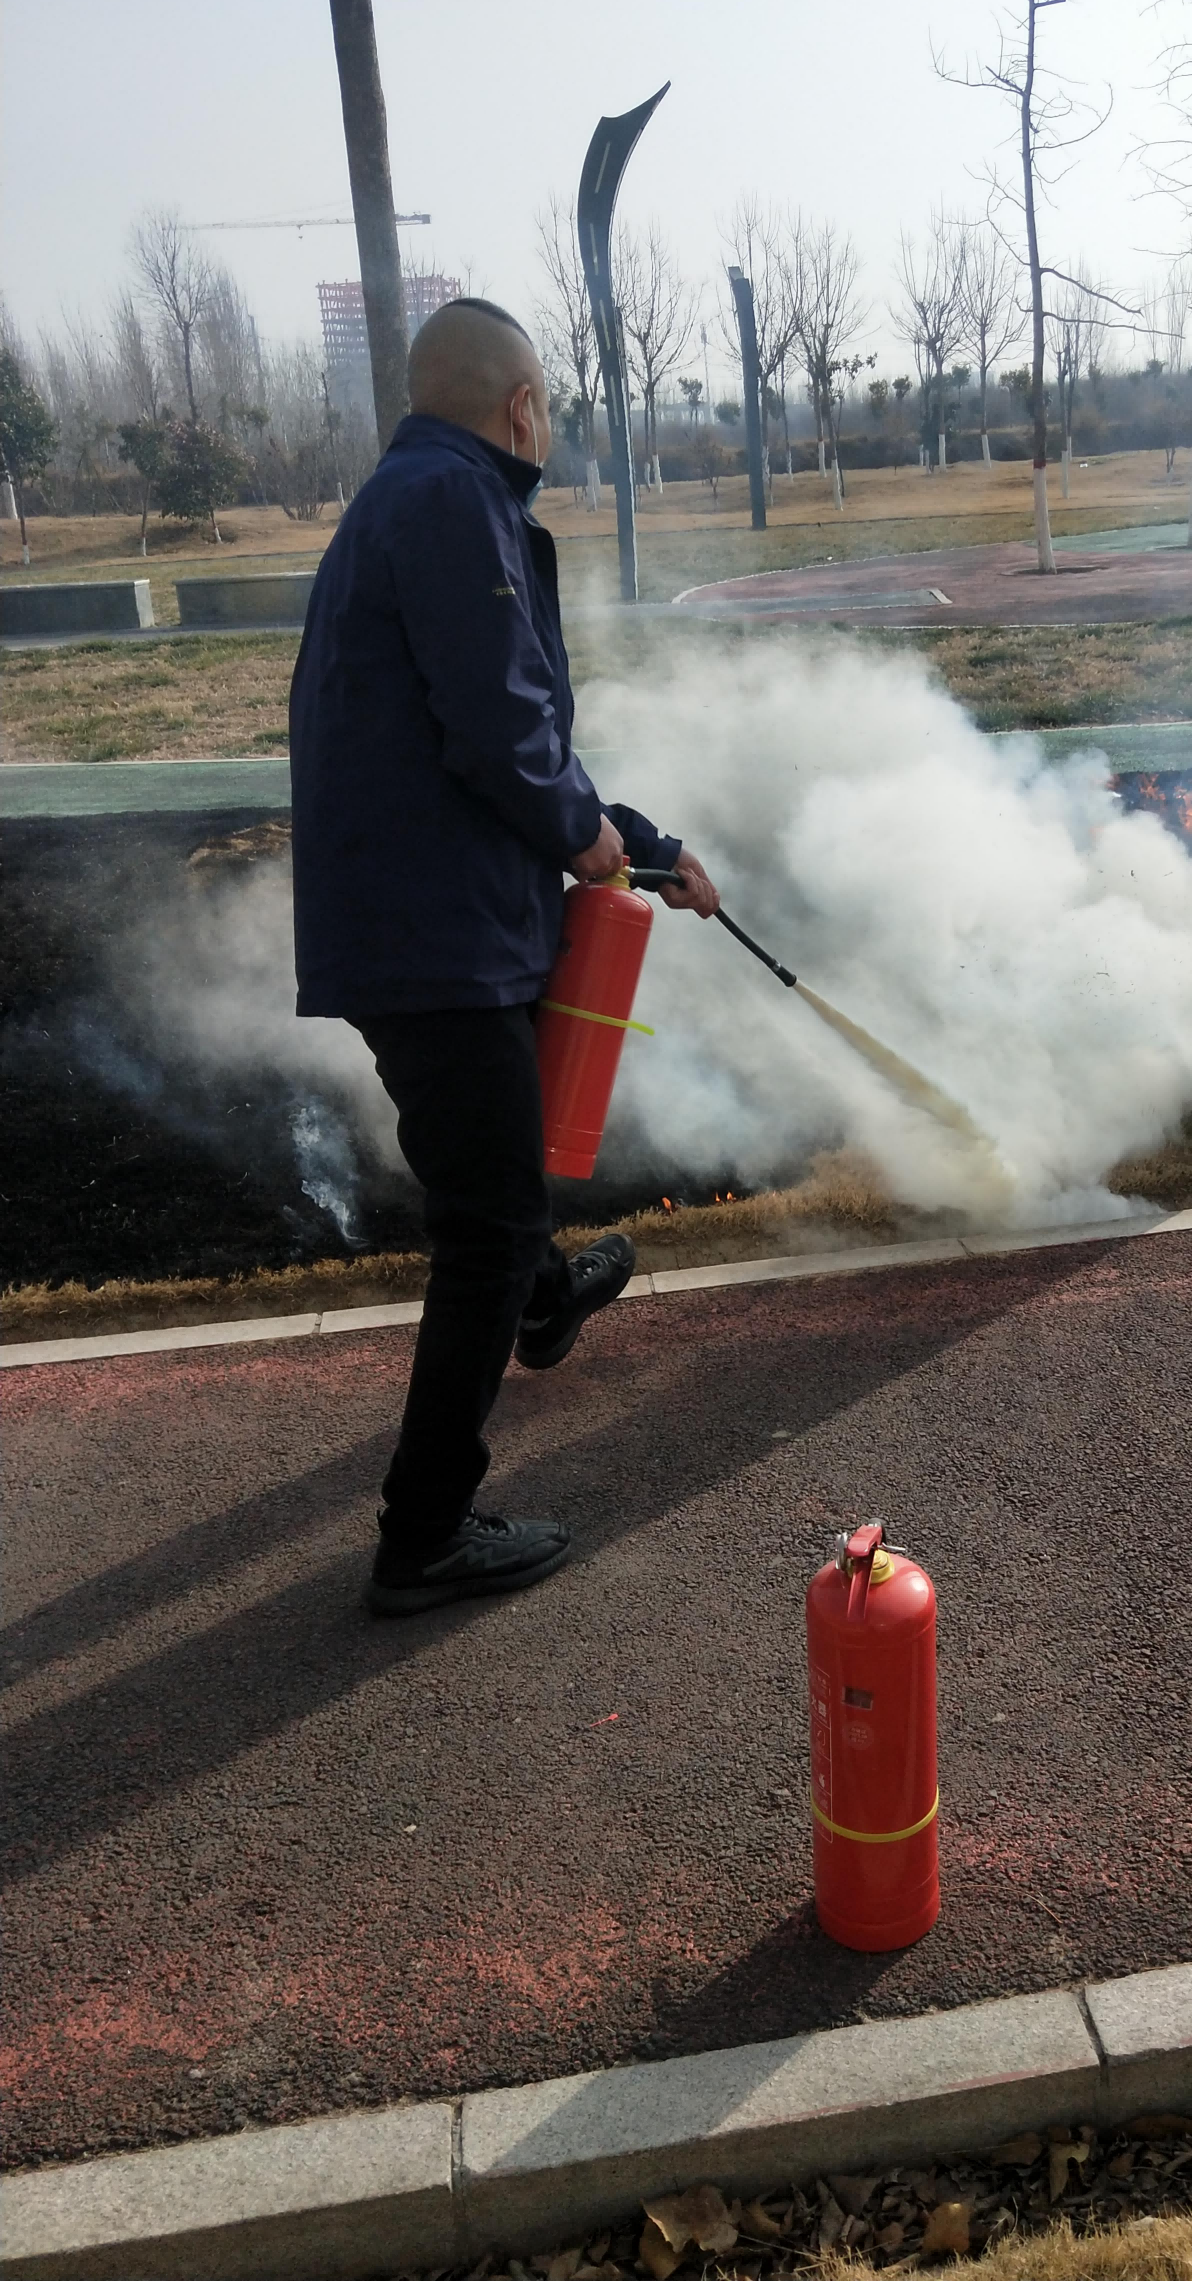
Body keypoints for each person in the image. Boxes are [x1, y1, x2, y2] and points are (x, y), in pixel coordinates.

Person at [289, 296, 718, 1618]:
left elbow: (511, 724)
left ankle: (541, 1305)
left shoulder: (417, 494)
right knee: (486, 1218)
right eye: (549, 405)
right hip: (434, 935)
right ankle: (423, 1535)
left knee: (501, 1163)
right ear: (521, 402)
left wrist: (635, 838)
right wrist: (587, 836)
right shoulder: (448, 504)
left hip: (436, 916)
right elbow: (498, 726)